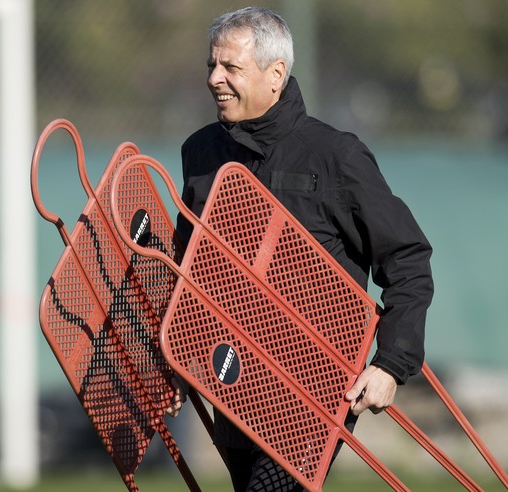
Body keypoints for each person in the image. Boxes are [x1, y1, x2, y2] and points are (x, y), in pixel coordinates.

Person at [168, 6, 434, 491]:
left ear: (276, 75)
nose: (215, 79)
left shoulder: (337, 155)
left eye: (231, 68)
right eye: (212, 65)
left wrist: (391, 362)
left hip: (314, 387)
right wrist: (173, 358)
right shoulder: (200, 153)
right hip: (231, 375)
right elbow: (184, 266)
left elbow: (408, 257)